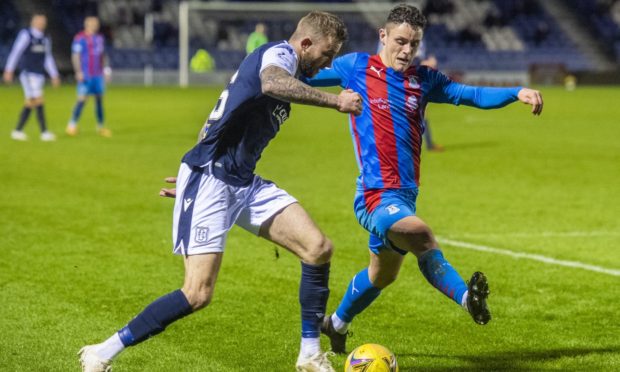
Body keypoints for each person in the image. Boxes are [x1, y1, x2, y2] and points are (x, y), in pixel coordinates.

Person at [78, 11, 362, 372]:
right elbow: (272, 83)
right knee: (197, 293)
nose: (328, 63)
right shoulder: (281, 56)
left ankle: (309, 355)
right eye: (326, 53)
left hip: (240, 180)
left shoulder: (289, 64)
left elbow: (216, 120)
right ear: (305, 44)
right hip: (212, 180)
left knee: (318, 249)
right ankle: (102, 352)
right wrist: (336, 101)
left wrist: (188, 180)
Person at [305, 4, 543, 353]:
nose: (406, 50)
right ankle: (467, 299)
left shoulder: (424, 80)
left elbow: (469, 95)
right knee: (422, 236)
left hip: (404, 197)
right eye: (400, 41)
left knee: (382, 275)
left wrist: (515, 92)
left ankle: (335, 324)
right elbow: (306, 76)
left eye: (413, 44)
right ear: (382, 36)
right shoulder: (355, 67)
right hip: (374, 196)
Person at [3, 13, 60, 142]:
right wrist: (9, 70)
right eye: (39, 21)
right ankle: (44, 132)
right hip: (28, 73)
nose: (41, 23)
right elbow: (15, 52)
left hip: (39, 74)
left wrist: (54, 74)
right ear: (33, 22)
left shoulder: (45, 38)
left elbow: (48, 58)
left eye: (43, 21)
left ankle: (18, 130)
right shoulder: (26, 35)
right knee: (38, 100)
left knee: (31, 102)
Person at [66, 16, 112, 138]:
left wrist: (106, 71)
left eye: (96, 23)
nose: (95, 25)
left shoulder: (100, 38)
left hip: (98, 75)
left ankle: (101, 126)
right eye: (93, 23)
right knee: (81, 99)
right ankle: (72, 125)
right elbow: (75, 56)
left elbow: (103, 55)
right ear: (87, 24)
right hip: (86, 74)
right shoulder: (80, 38)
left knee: (99, 100)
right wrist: (78, 71)